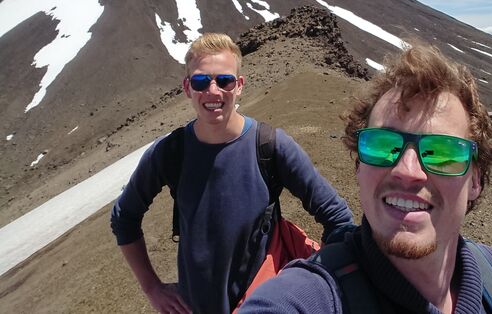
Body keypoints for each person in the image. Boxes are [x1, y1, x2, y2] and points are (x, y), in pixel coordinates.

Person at [240, 44, 492, 313]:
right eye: (381, 145)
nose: (407, 170)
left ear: (476, 181)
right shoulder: (306, 298)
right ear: (358, 166)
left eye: (442, 152)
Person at [110, 33, 354, 314]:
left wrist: (317, 287)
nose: (213, 91)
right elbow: (124, 218)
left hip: (262, 305)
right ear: (188, 88)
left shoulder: (271, 145)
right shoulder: (169, 152)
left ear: (239, 86)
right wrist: (152, 288)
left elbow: (338, 219)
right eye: (202, 81)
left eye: (224, 81)